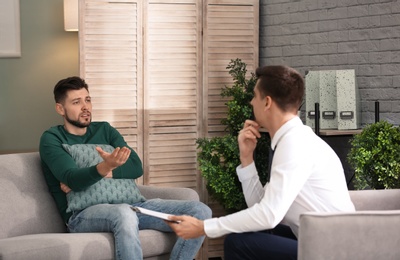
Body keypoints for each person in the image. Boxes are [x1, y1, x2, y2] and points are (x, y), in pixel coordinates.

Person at [166, 65, 356, 259]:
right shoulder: (292, 139)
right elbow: (261, 206)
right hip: (316, 239)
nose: (251, 102)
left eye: (254, 96)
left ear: (267, 102)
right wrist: (247, 159)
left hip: (334, 250)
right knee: (251, 233)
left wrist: (204, 227)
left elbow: (269, 215)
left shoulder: (295, 144)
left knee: (237, 243)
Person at [39, 76, 212, 260]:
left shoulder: (105, 130)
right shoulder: (52, 139)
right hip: (82, 215)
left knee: (201, 211)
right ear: (60, 108)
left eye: (87, 100)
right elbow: (73, 178)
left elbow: (136, 167)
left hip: (132, 206)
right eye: (76, 102)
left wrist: (105, 171)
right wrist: (105, 167)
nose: (85, 107)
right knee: (124, 213)